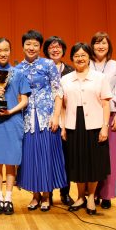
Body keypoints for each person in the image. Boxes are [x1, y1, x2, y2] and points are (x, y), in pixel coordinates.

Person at [16, 30, 67, 212]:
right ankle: (35, 195)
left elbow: (58, 91)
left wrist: (56, 116)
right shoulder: (17, 69)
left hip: (47, 118)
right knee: (31, 157)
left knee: (46, 155)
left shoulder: (48, 65)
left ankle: (46, 195)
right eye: (28, 44)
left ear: (40, 47)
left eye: (35, 45)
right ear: (23, 46)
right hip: (28, 119)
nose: (31, 47)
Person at [61, 42, 112, 215]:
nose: (80, 58)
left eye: (83, 55)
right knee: (77, 161)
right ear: (72, 59)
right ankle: (80, 196)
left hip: (95, 124)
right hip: (73, 124)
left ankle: (91, 196)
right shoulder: (65, 79)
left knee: (94, 162)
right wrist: (63, 127)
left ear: (89, 57)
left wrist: (105, 127)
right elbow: (62, 106)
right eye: (76, 56)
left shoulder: (100, 78)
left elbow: (106, 104)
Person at [0, 37, 31, 215]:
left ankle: (9, 198)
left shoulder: (18, 74)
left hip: (12, 121)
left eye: (6, 50)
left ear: (10, 51)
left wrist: (11, 112)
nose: (2, 54)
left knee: (11, 161)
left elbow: (25, 100)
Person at [90, 32, 116, 209]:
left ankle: (106, 195)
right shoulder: (87, 63)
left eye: (103, 43)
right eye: (97, 43)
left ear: (108, 46)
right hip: (90, 116)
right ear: (92, 46)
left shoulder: (115, 66)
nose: (100, 46)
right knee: (92, 157)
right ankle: (93, 194)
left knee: (110, 157)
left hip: (111, 115)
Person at [43, 36, 74, 206]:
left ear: (63, 50)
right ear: (46, 50)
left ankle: (65, 192)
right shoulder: (42, 68)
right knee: (50, 157)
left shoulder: (70, 70)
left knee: (66, 158)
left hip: (67, 118)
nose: (55, 50)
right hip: (49, 119)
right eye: (51, 47)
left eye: (58, 47)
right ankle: (48, 194)